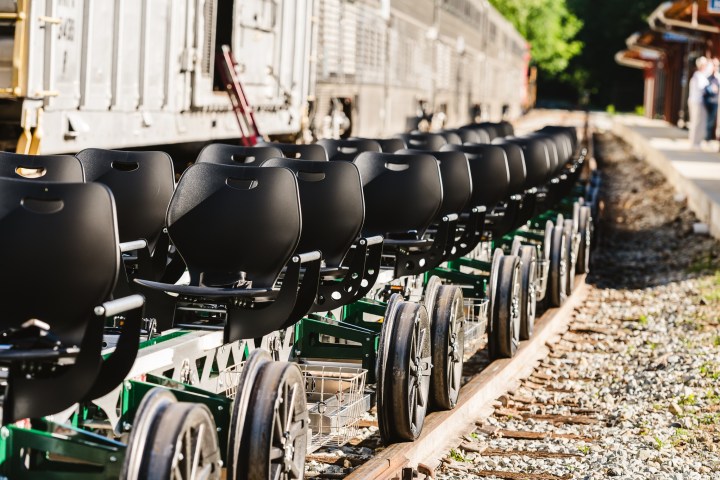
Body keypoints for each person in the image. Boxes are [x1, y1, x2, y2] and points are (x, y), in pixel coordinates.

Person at [689, 56, 710, 149]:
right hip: (697, 101)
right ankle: (694, 143)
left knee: (699, 122)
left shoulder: (700, 75)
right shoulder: (698, 75)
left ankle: (697, 142)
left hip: (698, 101)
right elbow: (703, 87)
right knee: (696, 122)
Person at [705, 58, 720, 145]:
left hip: (715, 101)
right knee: (708, 120)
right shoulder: (708, 76)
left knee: (712, 120)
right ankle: (707, 137)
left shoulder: (718, 77)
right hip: (708, 101)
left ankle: (710, 137)